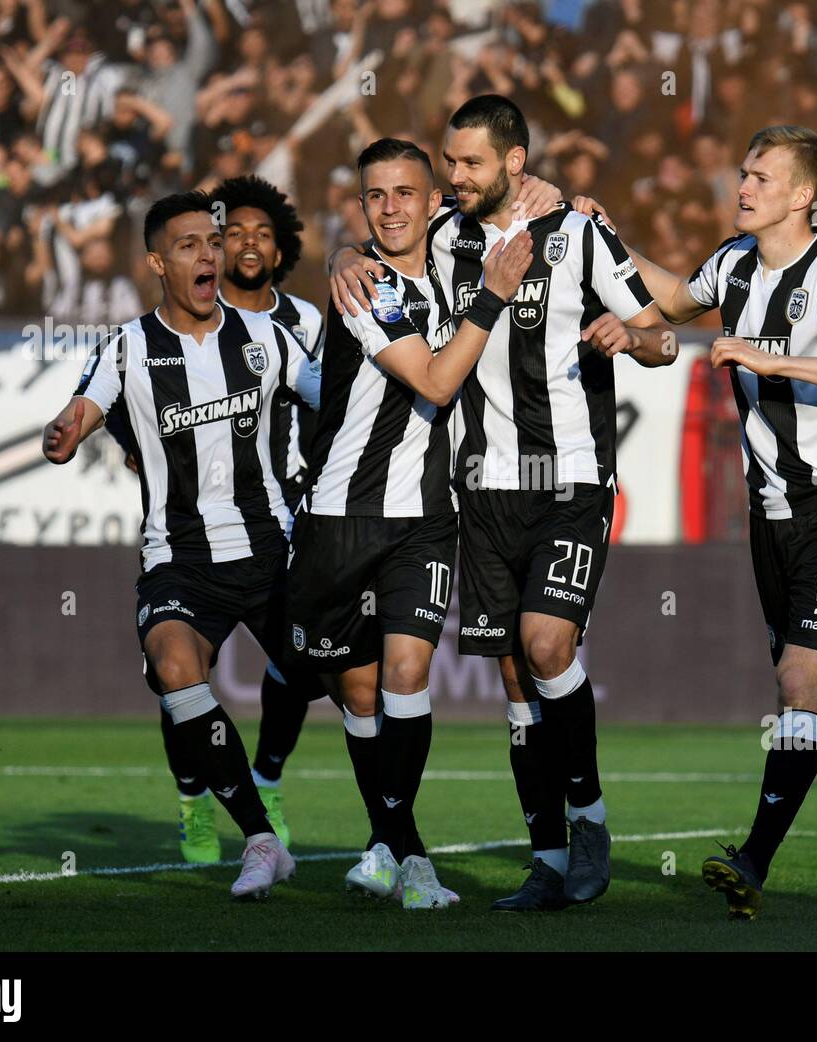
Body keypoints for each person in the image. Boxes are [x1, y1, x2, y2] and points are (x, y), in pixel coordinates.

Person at [572, 124, 817, 920]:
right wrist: (603, 238)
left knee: (799, 681)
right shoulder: (736, 263)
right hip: (771, 521)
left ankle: (753, 861)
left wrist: (777, 361)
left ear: (804, 198)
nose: (742, 187)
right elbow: (671, 298)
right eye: (743, 173)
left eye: (760, 177)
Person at [331, 94, 674, 912]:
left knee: (547, 644)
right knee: (517, 677)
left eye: (469, 163)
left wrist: (636, 338)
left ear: (514, 164)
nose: (453, 177)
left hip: (572, 481)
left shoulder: (579, 233)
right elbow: (383, 242)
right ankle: (548, 859)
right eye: (449, 163)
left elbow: (663, 334)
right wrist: (345, 252)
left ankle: (589, 818)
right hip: (480, 490)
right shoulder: (446, 237)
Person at [42, 190, 320, 900]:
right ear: (158, 263)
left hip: (273, 550)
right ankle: (259, 838)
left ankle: (396, 847)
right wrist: (67, 431)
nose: (210, 255)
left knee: (349, 680)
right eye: (192, 245)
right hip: (180, 557)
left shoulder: (268, 339)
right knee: (173, 666)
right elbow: (82, 411)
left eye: (214, 241)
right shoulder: (130, 347)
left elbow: (339, 400)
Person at [289, 136, 532, 909]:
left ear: (435, 201)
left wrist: (572, 204)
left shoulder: (461, 257)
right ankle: (407, 849)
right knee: (360, 699)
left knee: (406, 675)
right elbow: (431, 378)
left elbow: (518, 194)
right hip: (341, 517)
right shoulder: (362, 287)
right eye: (374, 196)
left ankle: (391, 852)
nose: (390, 208)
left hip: (427, 519)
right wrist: (490, 300)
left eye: (404, 193)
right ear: (361, 207)